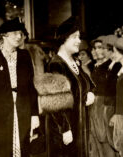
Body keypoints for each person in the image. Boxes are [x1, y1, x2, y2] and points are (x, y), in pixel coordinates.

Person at [0, 18, 39, 157]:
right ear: (4, 35)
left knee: (22, 148)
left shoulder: (25, 56)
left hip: (23, 109)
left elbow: (31, 87)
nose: (19, 37)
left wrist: (34, 114)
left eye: (21, 33)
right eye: (15, 33)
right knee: (1, 149)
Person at [46, 17, 95, 157]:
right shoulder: (56, 64)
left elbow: (87, 84)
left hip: (79, 126)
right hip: (64, 129)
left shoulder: (75, 62)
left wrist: (90, 92)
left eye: (79, 37)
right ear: (63, 39)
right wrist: (65, 128)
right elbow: (54, 102)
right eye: (75, 37)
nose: (79, 41)